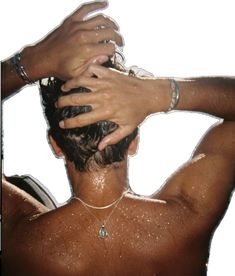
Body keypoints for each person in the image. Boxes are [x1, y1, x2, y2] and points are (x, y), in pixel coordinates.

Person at [2, 2, 235, 276]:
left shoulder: (21, 236)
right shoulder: (189, 215)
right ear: (134, 140)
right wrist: (161, 93)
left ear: (55, 144)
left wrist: (29, 63)